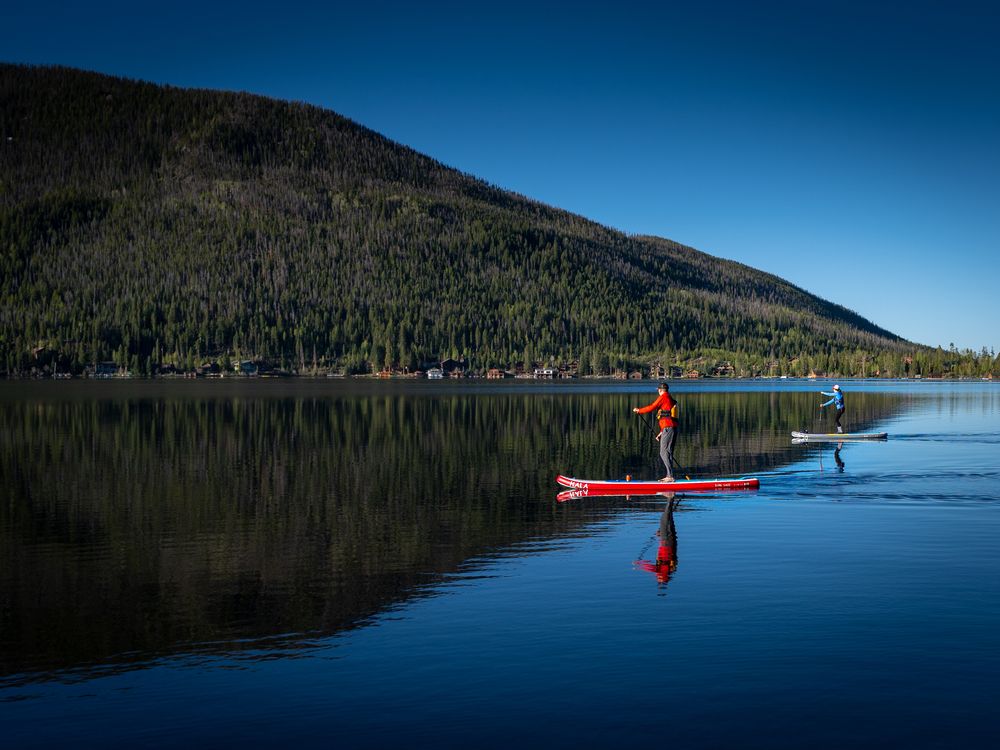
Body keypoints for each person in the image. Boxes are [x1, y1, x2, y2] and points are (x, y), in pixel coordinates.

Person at [633, 382, 678, 481]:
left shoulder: (663, 397)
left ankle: (670, 476)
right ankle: (670, 475)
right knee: (668, 452)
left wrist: (639, 410)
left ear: (661, 390)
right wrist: (661, 432)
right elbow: (668, 417)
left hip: (668, 428)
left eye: (658, 390)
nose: (658, 391)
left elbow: (652, 407)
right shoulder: (669, 398)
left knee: (663, 452)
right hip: (671, 428)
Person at [634, 493, 679, 586]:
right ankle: (670, 498)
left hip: (672, 541)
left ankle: (671, 497)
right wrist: (639, 564)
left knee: (669, 518)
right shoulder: (663, 572)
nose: (657, 578)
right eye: (659, 579)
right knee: (664, 519)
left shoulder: (672, 569)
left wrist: (660, 533)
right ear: (662, 579)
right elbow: (650, 568)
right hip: (666, 542)